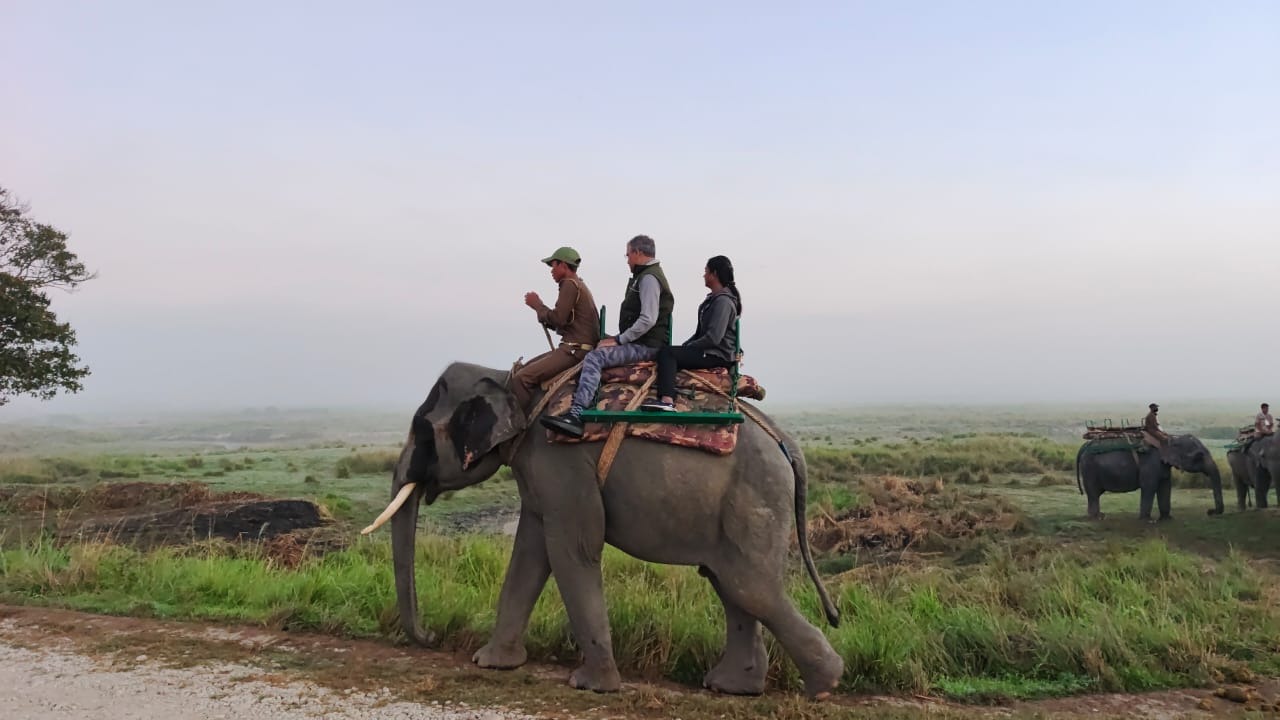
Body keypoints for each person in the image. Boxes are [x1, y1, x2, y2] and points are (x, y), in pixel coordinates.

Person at [541, 235, 674, 437]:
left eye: (628, 254)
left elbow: (648, 319)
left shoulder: (648, 278)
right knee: (602, 344)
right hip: (643, 340)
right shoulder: (646, 276)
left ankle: (576, 414)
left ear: (638, 253)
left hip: (646, 345)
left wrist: (620, 340)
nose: (627, 259)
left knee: (595, 357)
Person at [640, 255, 741, 412]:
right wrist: (687, 346)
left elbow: (713, 338)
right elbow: (700, 334)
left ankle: (667, 400)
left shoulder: (723, 302)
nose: (704, 275)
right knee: (672, 351)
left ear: (714, 274)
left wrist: (691, 346)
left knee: (668, 353)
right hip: (709, 350)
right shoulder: (714, 300)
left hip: (716, 354)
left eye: (706, 271)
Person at [511, 247, 600, 409]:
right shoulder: (579, 285)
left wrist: (538, 306)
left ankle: (521, 428)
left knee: (521, 378)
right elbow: (563, 323)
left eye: (553, 266)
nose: (551, 271)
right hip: (579, 348)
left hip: (573, 351)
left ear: (563, 266)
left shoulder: (569, 284)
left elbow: (558, 319)